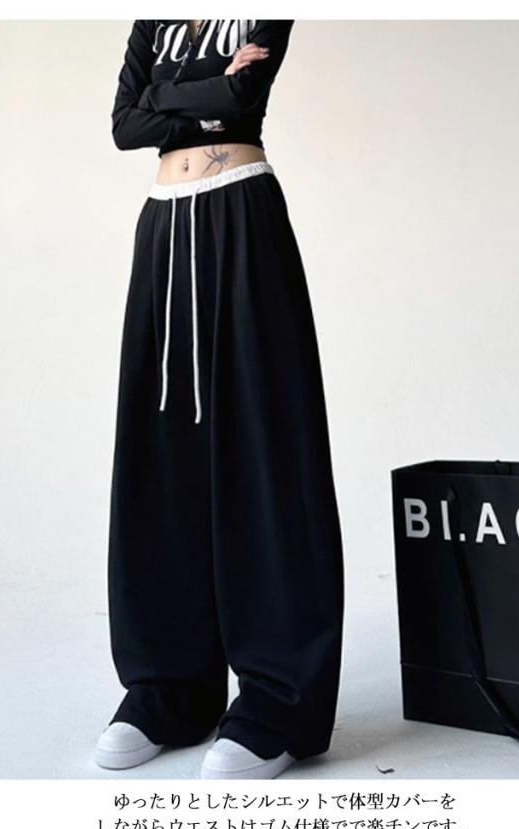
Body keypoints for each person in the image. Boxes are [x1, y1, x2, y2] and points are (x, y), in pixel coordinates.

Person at [95, 19, 344, 780]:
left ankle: (278, 701)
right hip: (164, 226)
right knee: (159, 457)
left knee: (265, 449)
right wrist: (210, 84)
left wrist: (169, 95)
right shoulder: (153, 18)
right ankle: (168, 688)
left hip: (242, 216)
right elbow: (123, 127)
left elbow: (243, 97)